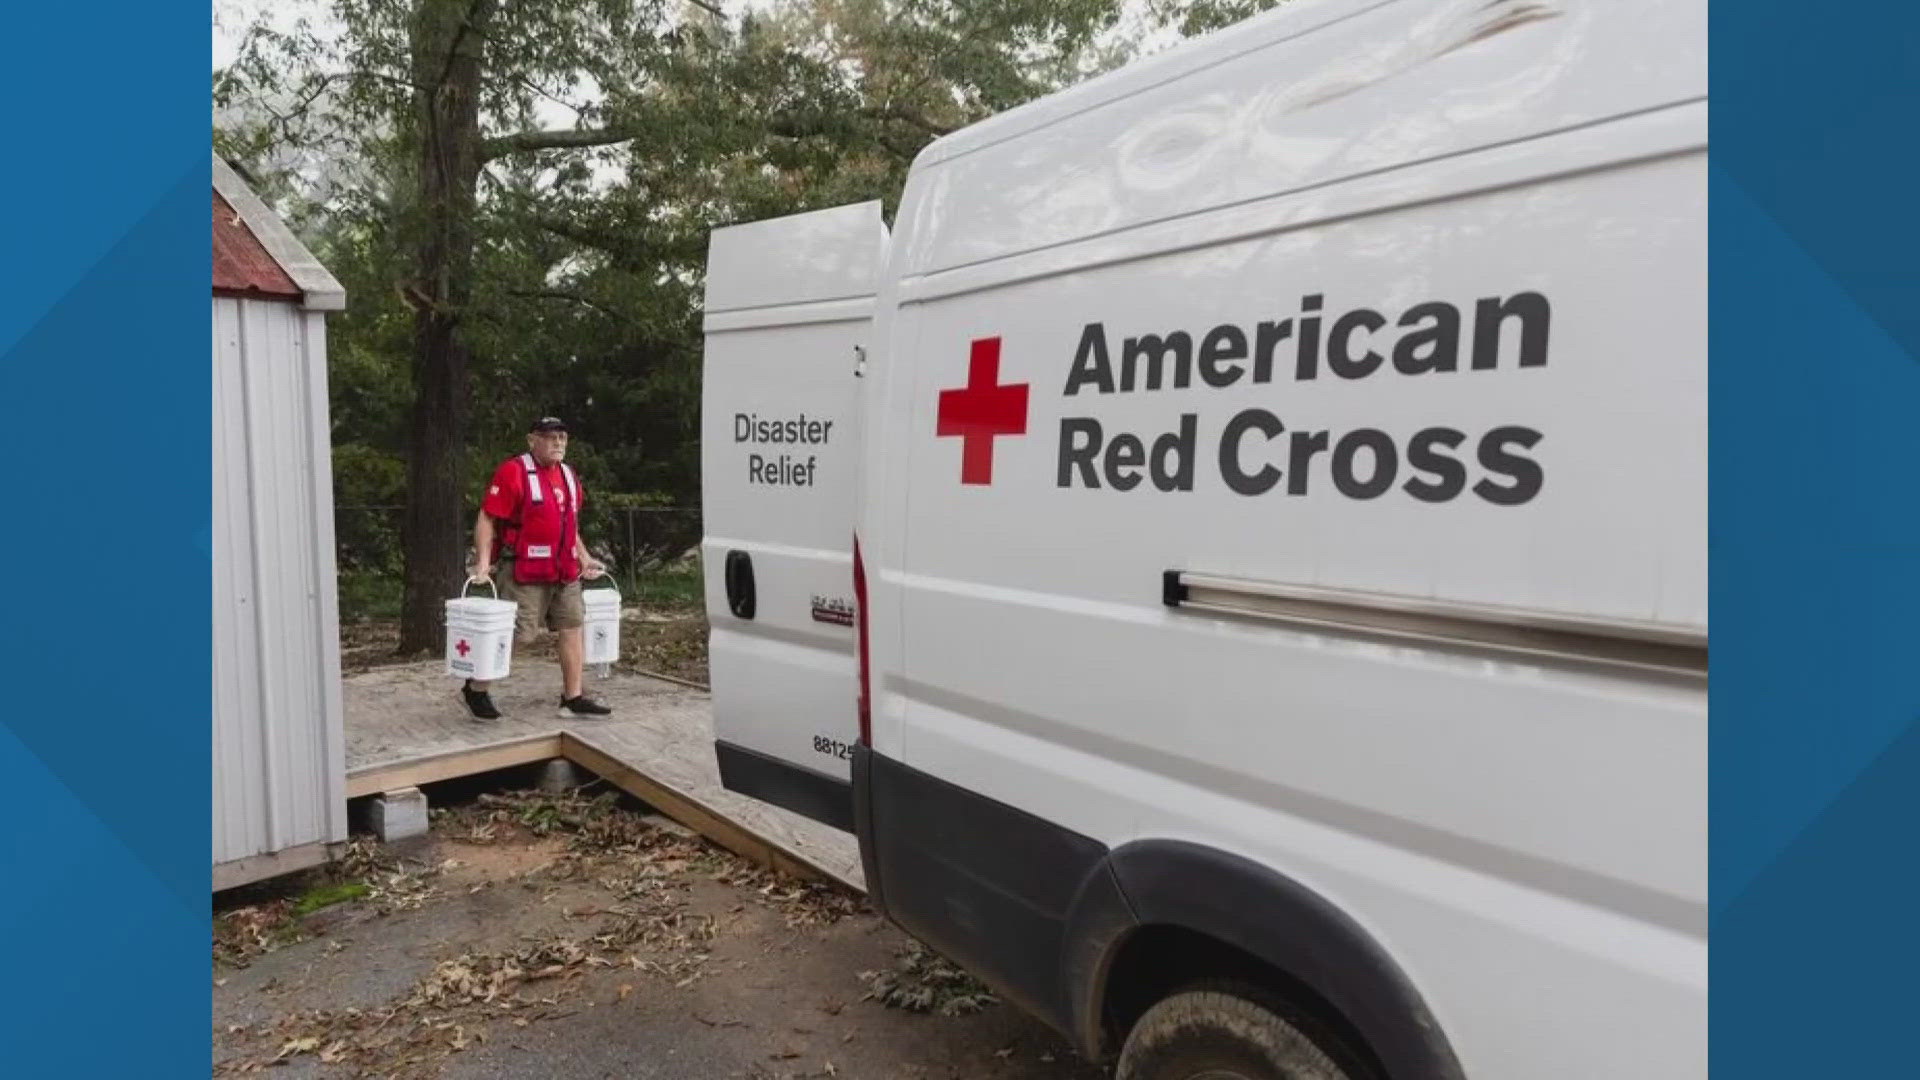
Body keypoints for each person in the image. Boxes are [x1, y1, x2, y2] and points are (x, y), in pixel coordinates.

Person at [460, 416, 614, 720]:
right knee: (519, 635)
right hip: (524, 570)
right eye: (549, 437)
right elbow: (487, 517)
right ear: (533, 440)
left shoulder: (569, 476)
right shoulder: (514, 472)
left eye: (562, 437)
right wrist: (482, 562)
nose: (557, 443)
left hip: (565, 571)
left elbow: (568, 524)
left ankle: (573, 697)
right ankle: (476, 688)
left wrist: (584, 558)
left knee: (572, 628)